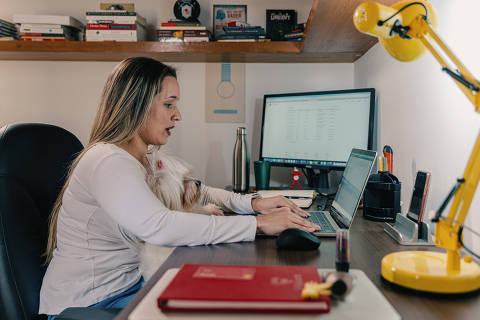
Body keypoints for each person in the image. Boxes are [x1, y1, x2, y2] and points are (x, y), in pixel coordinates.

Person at [39, 57, 319, 318]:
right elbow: (160, 226)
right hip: (90, 305)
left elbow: (197, 188)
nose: (178, 115)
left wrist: (252, 204)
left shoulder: (144, 157)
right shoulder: (108, 161)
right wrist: (258, 225)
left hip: (127, 287)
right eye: (169, 104)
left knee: (227, 296)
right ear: (137, 104)